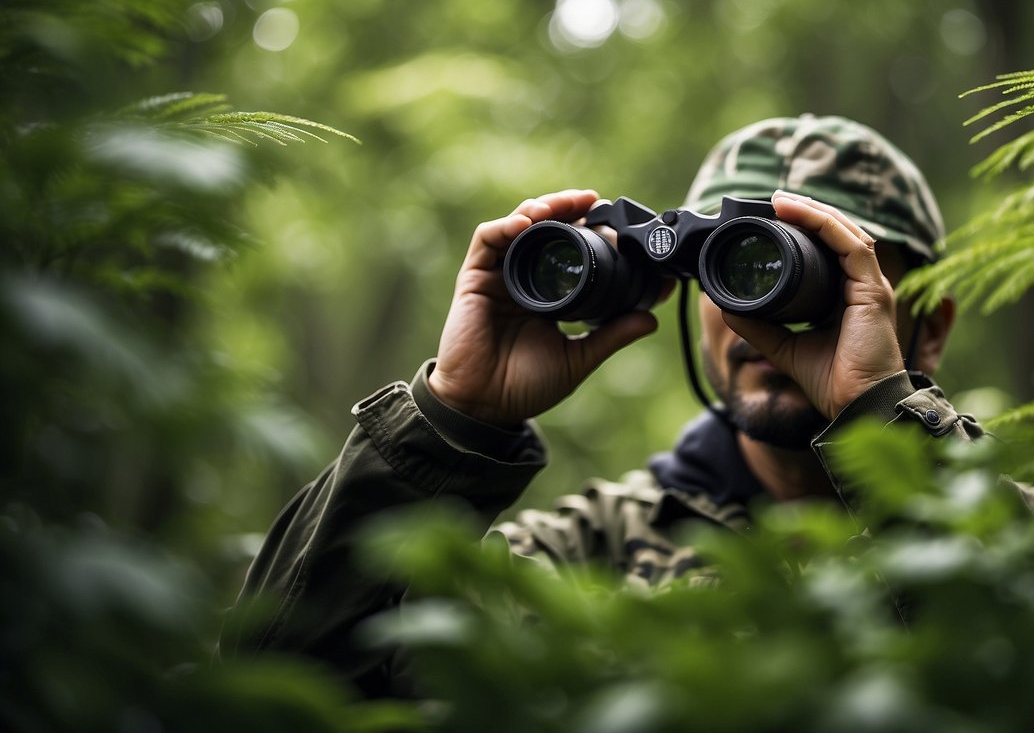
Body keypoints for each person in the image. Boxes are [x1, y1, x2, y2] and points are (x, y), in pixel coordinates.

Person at [221, 113, 984, 697]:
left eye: (815, 268)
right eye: (734, 262)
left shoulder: (1033, 528)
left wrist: (888, 427)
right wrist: (454, 417)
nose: (764, 306)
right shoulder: (580, 562)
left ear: (931, 326)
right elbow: (279, 691)